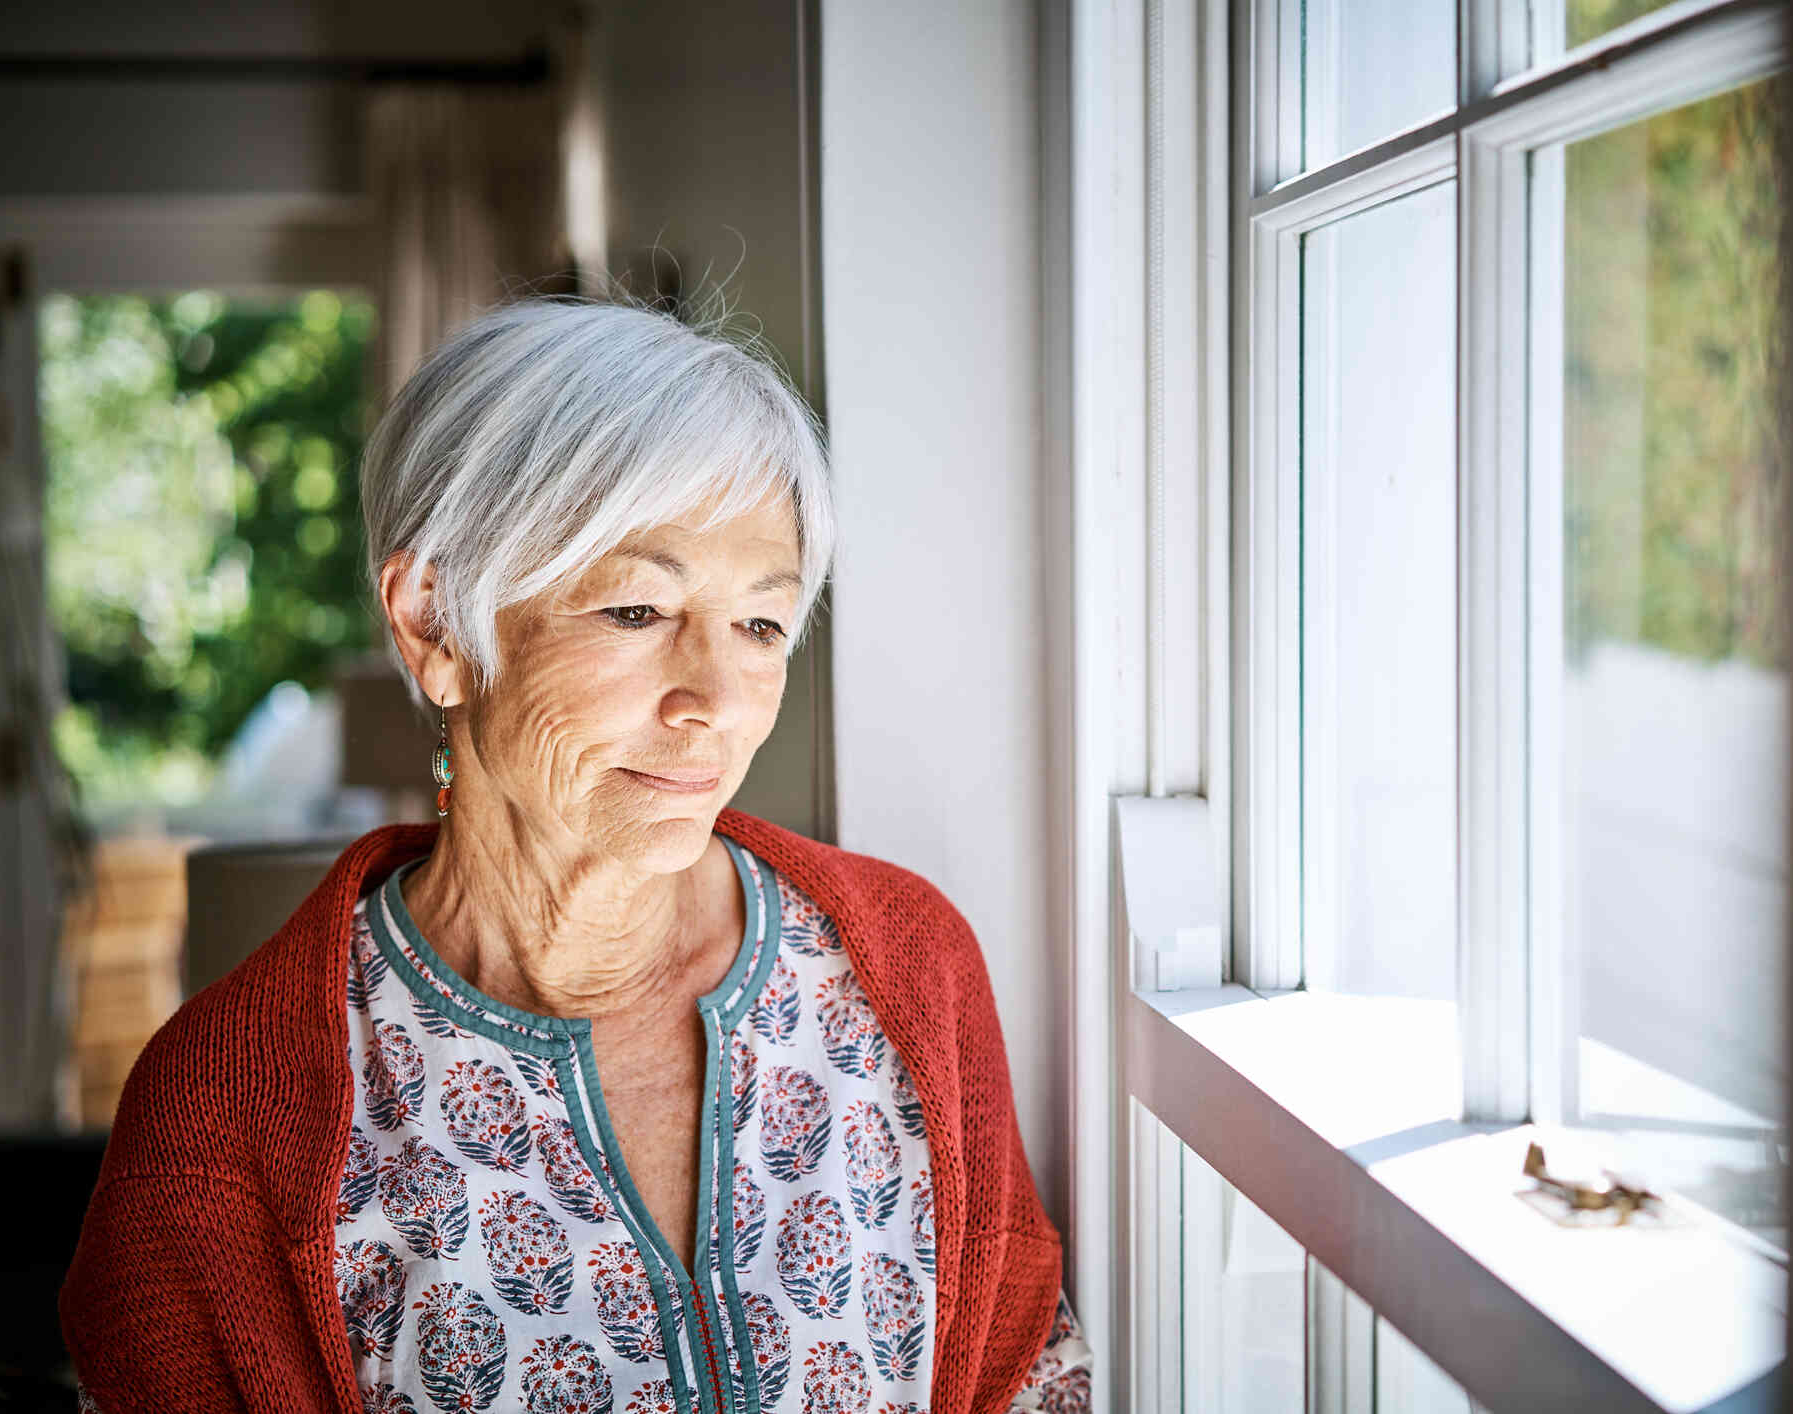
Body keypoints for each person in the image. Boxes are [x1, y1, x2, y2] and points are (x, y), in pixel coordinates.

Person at [59, 296, 1092, 1414]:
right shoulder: (217, 1120)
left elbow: (1022, 1379)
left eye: (759, 624)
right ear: (437, 626)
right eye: (638, 609)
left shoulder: (902, 965)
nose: (715, 702)